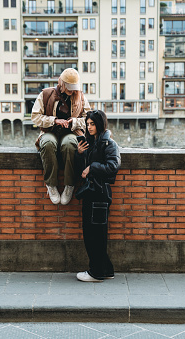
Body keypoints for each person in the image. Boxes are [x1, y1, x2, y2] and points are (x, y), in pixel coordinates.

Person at [31, 68, 91, 205]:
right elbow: (35, 117)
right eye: (70, 88)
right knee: (47, 143)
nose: (72, 91)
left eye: (74, 88)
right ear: (62, 84)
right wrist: (54, 120)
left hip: (71, 132)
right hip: (49, 131)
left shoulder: (80, 96)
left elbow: (88, 118)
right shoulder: (46, 94)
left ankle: (69, 185)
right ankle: (51, 184)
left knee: (70, 144)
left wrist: (74, 122)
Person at [75, 110, 121, 282]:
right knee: (94, 233)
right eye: (87, 124)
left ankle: (96, 272)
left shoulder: (109, 144)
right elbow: (80, 170)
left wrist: (92, 167)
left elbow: (113, 166)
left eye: (92, 124)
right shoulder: (91, 143)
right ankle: (106, 269)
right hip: (91, 193)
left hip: (100, 194)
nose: (89, 127)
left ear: (100, 124)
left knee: (95, 235)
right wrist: (79, 154)